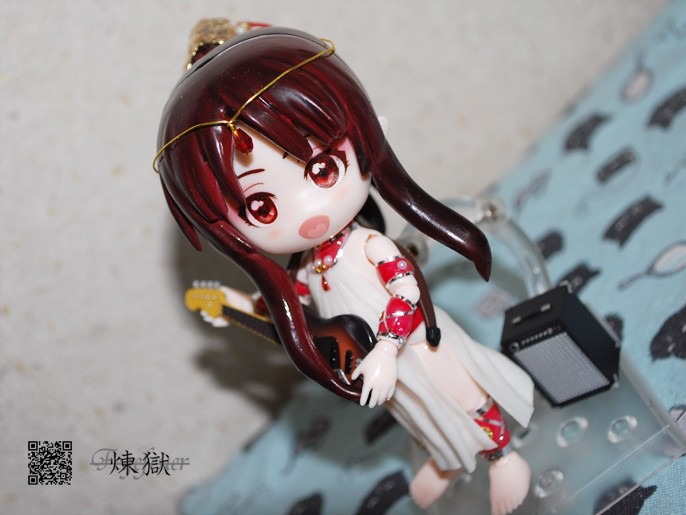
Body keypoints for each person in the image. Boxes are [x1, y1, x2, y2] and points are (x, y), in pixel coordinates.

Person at [155, 23, 534, 514]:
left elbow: (406, 292)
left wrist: (388, 349)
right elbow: (297, 309)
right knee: (417, 417)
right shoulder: (307, 269)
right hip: (385, 370)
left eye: (322, 170)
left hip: (416, 346)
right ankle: (447, 459)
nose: (307, 210)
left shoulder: (368, 245)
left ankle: (503, 458)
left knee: (463, 395)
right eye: (262, 207)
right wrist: (234, 305)